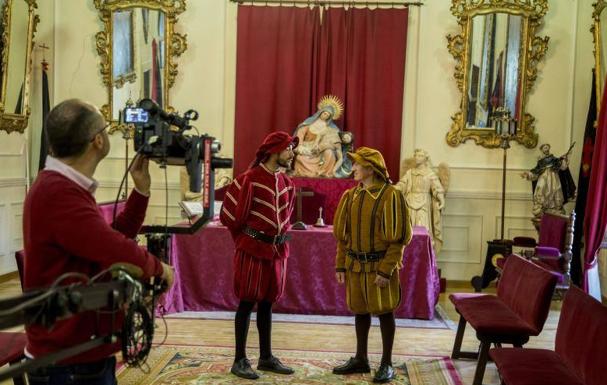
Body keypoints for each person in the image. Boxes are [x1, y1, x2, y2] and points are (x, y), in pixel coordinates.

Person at [22, 99, 174, 385]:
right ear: (98, 140)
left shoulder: (59, 185)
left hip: (76, 354)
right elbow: (113, 247)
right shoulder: (57, 191)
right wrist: (162, 270)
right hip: (67, 362)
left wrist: (141, 190)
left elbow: (105, 239)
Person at [220, 131, 299, 380]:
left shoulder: (287, 183)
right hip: (252, 250)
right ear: (275, 151)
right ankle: (239, 359)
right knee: (246, 301)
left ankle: (266, 357)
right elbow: (230, 217)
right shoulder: (248, 180)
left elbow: (287, 219)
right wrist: (245, 241)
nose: (292, 153)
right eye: (288, 149)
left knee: (267, 303)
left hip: (277, 252)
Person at [332, 146, 411, 383]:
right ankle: (361, 358)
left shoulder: (391, 196)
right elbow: (343, 237)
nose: (353, 168)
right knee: (360, 310)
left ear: (371, 168)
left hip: (380, 268)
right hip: (355, 266)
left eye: (356, 164)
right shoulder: (351, 196)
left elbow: (398, 240)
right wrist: (340, 265)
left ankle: (386, 362)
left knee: (385, 312)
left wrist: (386, 270)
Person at [395, 149, 445, 252]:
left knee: (423, 228)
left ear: (425, 159)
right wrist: (393, 189)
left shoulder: (430, 174)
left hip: (424, 204)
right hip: (410, 202)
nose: (417, 158)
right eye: (416, 155)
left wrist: (441, 200)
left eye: (420, 156)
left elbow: (437, 188)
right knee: (409, 229)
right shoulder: (410, 173)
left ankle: (423, 254)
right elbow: (402, 184)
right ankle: (409, 255)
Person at [292, 95, 351, 178]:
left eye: (328, 115)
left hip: (321, 153)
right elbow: (299, 137)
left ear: (330, 118)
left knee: (330, 154)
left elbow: (336, 143)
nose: (325, 115)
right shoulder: (308, 124)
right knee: (300, 158)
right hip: (307, 150)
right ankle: (311, 172)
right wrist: (302, 148)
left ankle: (323, 172)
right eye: (325, 113)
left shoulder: (331, 129)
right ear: (320, 112)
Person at [521, 143, 576, 228]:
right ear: (542, 150)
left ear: (549, 148)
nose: (545, 148)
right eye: (544, 147)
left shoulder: (554, 159)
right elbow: (536, 171)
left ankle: (556, 208)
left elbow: (562, 166)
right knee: (540, 188)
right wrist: (528, 174)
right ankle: (541, 207)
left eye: (547, 147)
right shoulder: (541, 162)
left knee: (555, 189)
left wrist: (563, 159)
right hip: (543, 177)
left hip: (554, 177)